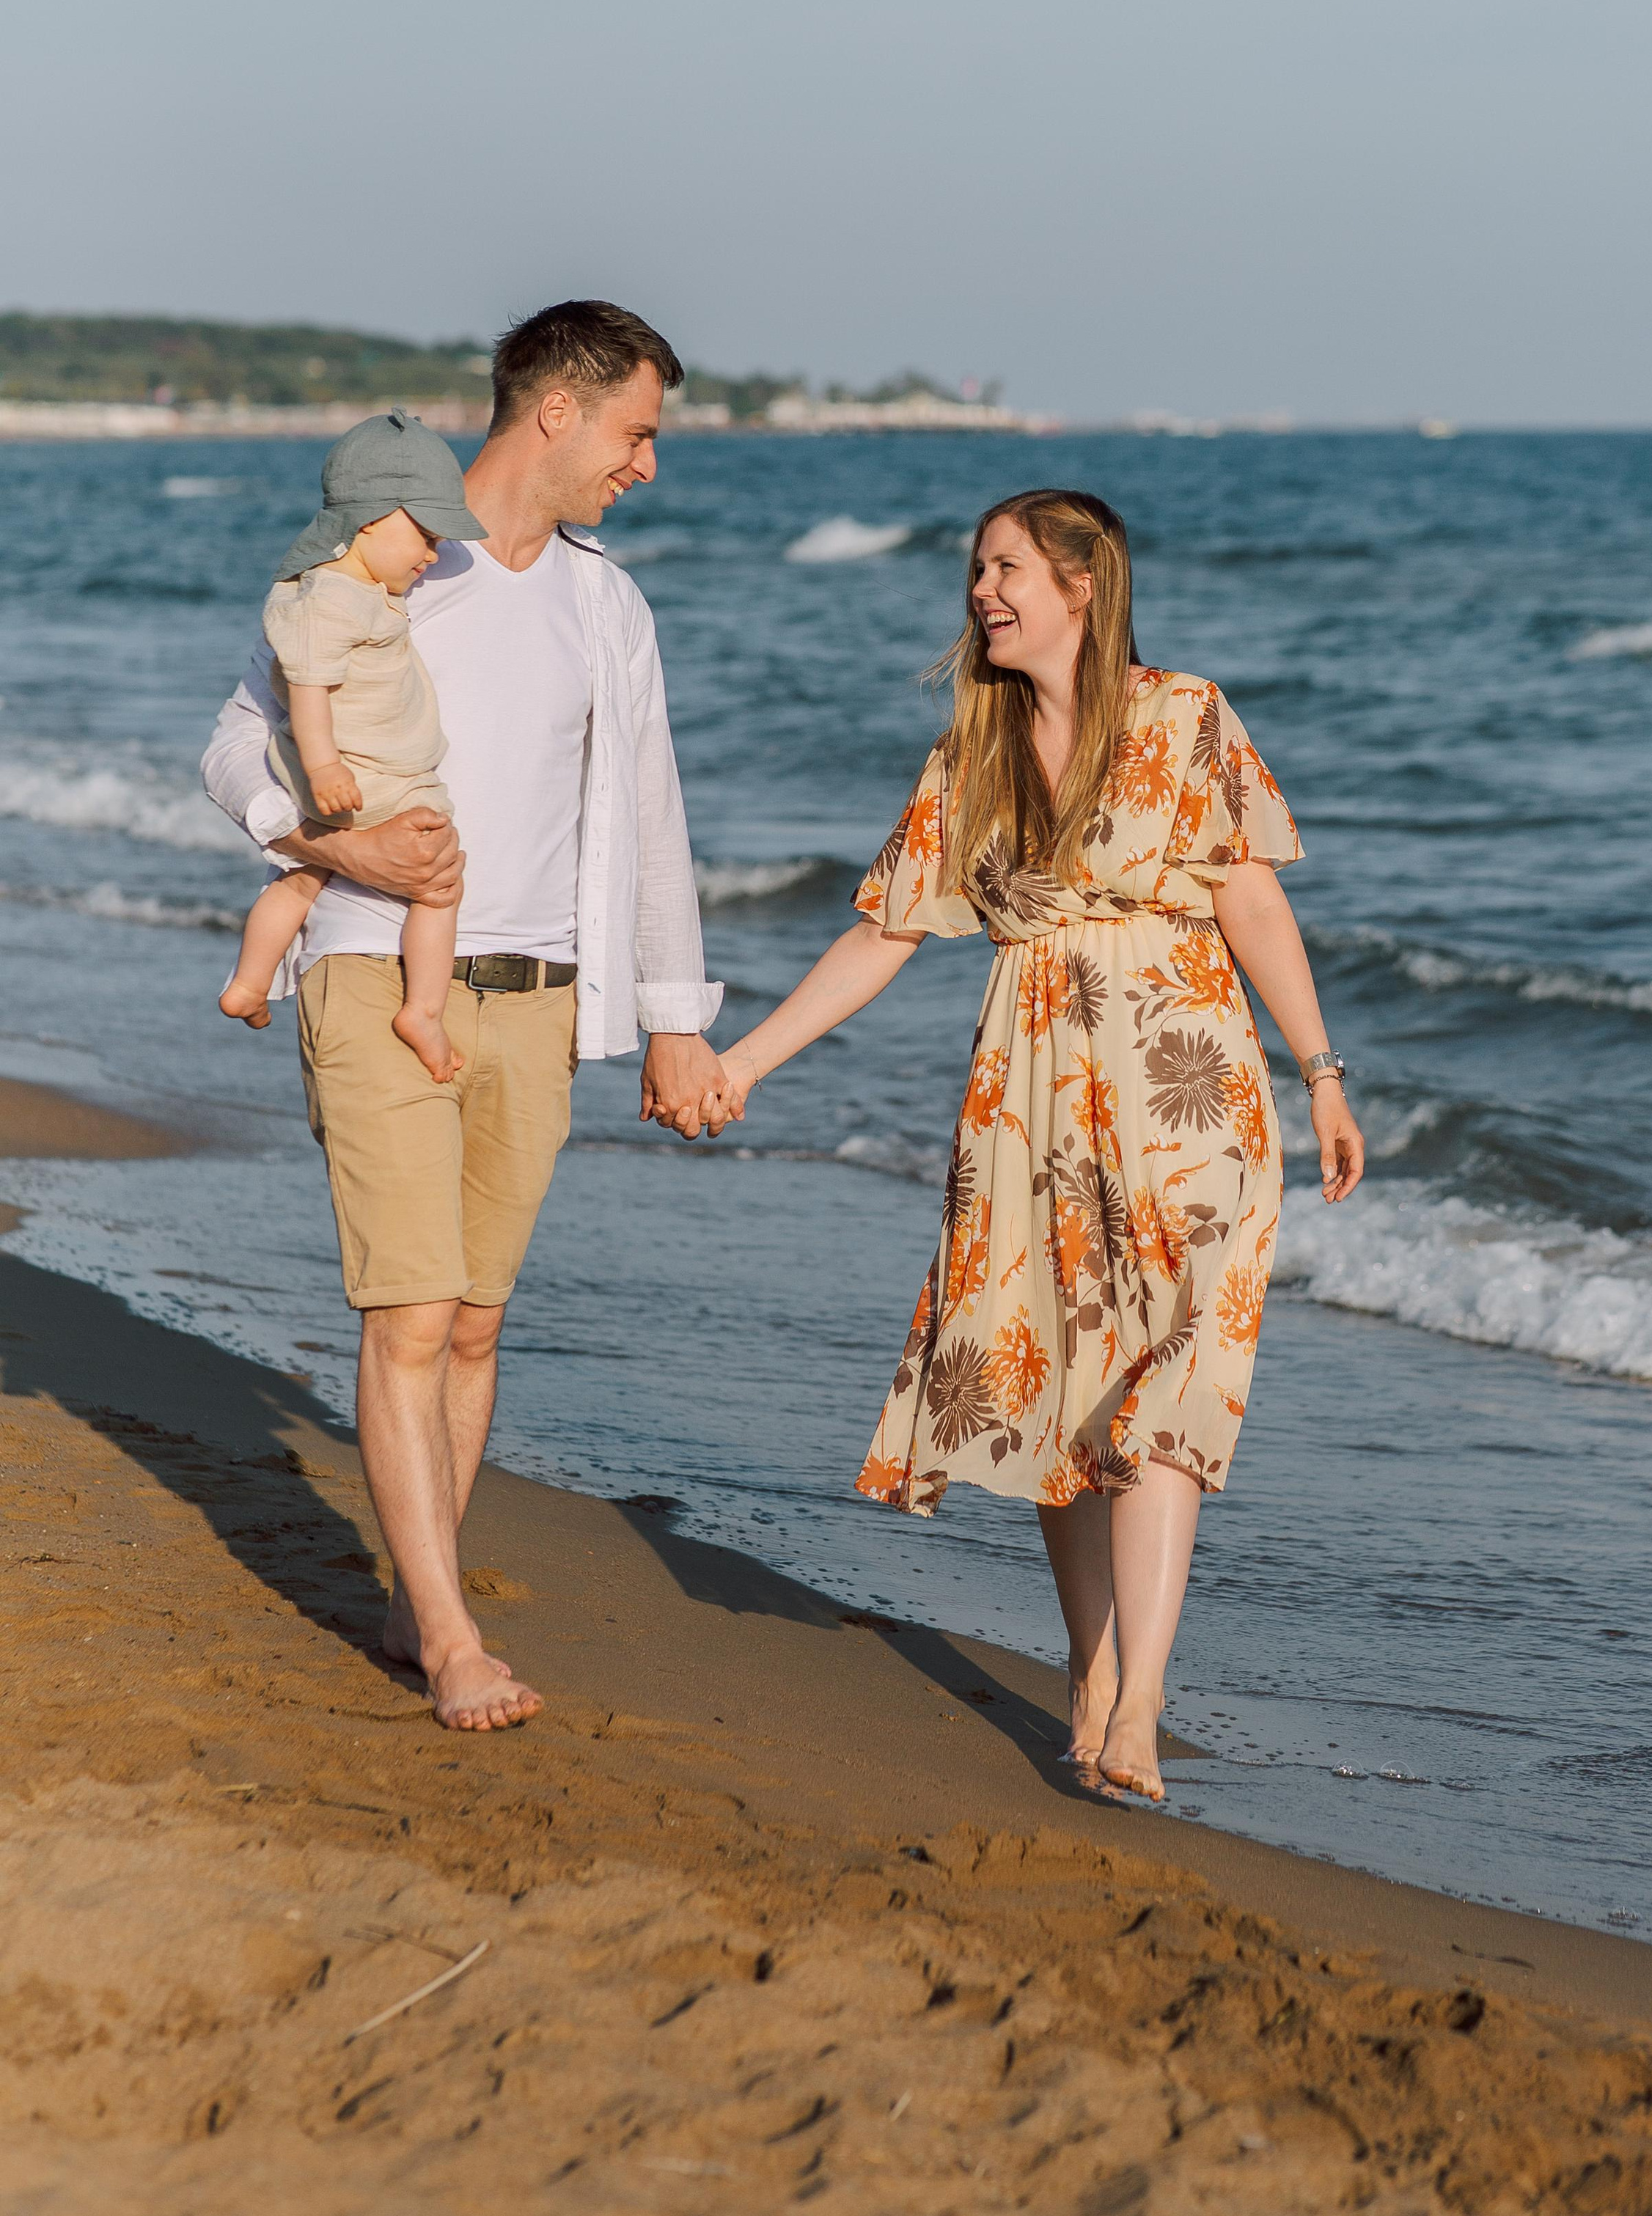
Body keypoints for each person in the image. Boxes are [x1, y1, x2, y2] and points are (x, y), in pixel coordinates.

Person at [708, 488, 1363, 1801]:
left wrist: (1324, 1075)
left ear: (1081, 584)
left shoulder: (1185, 716)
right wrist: (742, 1062)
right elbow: (883, 934)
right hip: (1034, 1099)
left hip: (1194, 1092)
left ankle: (1144, 1705)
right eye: (975, 571)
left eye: (1006, 568)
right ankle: (1095, 1672)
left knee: (1174, 1385)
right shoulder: (973, 756)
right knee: (1068, 1386)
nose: (981, 592)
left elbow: (1250, 897)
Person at [202, 301, 731, 1733]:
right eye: (636, 432)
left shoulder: (606, 602)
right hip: (379, 970)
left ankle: (404, 1590)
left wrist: (673, 1016)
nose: (646, 465)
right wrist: (320, 848)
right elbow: (235, 742)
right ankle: (446, 1636)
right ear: (553, 412)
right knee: (413, 1312)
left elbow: (653, 818)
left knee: (479, 1324)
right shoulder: (387, 565)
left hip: (539, 1001)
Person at [218, 409, 488, 1084]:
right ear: (372, 518)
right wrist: (324, 766)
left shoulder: (349, 587)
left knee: (302, 877)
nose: (432, 554)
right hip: (366, 777)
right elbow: (307, 681)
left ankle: (249, 983)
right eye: (425, 534)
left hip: (338, 778)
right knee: (440, 881)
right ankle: (423, 1010)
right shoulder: (334, 595)